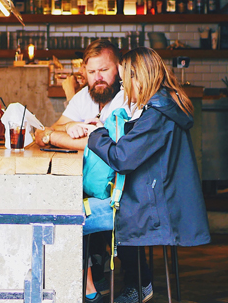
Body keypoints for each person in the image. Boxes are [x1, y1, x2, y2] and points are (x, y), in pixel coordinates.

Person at [83, 47, 211, 303]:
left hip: (154, 206)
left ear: (138, 78)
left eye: (124, 80)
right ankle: (103, 282)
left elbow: (121, 158)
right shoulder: (163, 107)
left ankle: (94, 288)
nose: (124, 88)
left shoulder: (157, 114)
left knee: (77, 216)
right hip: (156, 197)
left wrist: (96, 134)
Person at [33, 39, 139, 301]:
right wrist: (67, 129)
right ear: (84, 73)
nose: (98, 78)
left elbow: (107, 145)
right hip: (96, 183)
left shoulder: (128, 98)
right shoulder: (85, 96)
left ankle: (90, 282)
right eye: (91, 73)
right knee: (62, 199)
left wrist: (53, 136)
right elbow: (54, 127)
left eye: (104, 70)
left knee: (68, 211)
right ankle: (89, 280)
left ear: (119, 69)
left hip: (125, 192)